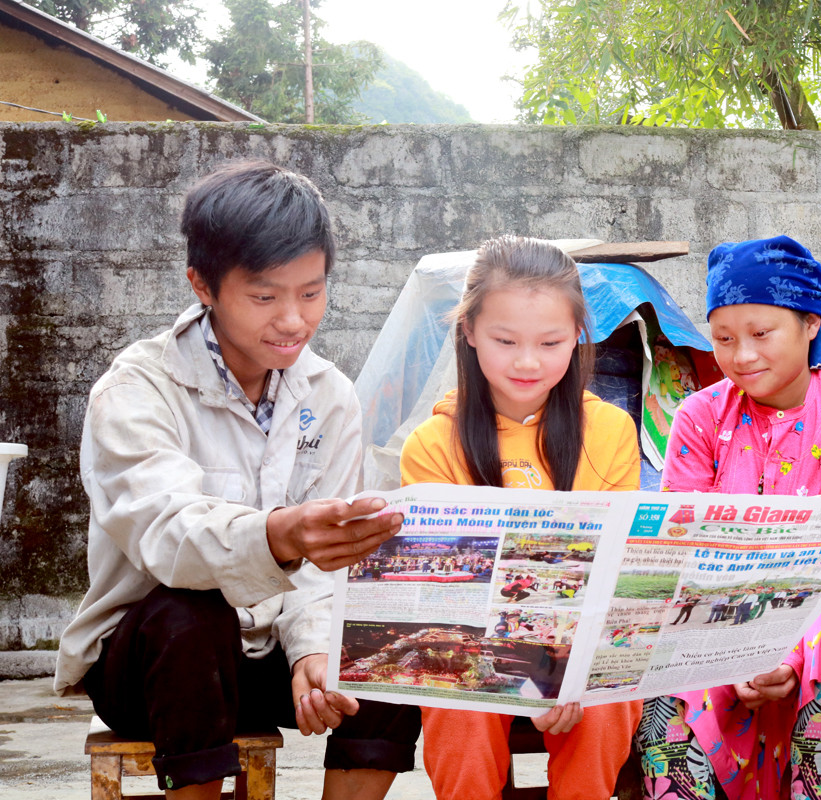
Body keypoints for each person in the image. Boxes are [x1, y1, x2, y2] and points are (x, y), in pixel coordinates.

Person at [51, 161, 412, 800]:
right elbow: (166, 537)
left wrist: (310, 650)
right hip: (153, 662)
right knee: (192, 610)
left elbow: (326, 567)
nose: (294, 320)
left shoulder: (329, 395)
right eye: (266, 297)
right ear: (203, 285)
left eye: (312, 292)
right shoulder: (137, 389)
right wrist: (278, 535)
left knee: (392, 643)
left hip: (268, 652)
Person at [399, 235, 643, 800]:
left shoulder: (609, 431)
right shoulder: (432, 443)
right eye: (505, 341)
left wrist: (563, 665)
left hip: (577, 640)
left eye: (551, 342)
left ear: (579, 336)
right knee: (454, 696)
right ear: (469, 333)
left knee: (605, 697)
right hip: (475, 638)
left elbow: (612, 571)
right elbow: (443, 589)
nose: (528, 362)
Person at [637, 235, 821, 800]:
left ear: (811, 323)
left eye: (762, 334)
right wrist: (739, 644)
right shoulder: (698, 415)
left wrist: (785, 653)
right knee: (668, 655)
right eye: (723, 338)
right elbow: (683, 541)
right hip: (719, 616)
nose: (742, 356)